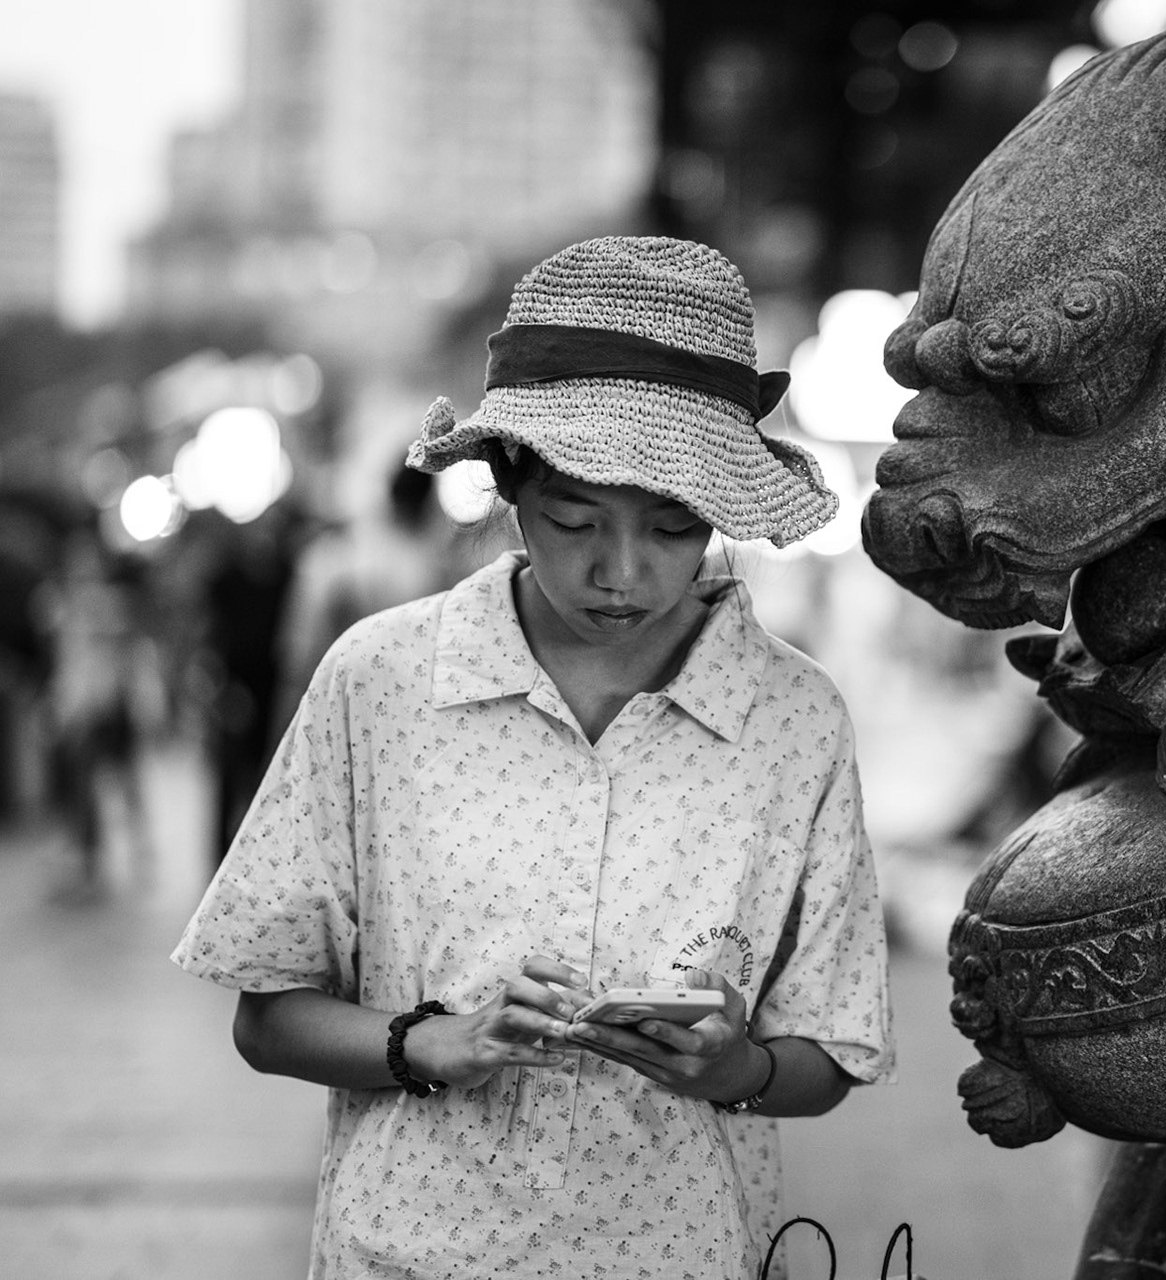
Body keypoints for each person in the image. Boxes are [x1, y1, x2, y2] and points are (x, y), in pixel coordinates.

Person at [172, 236, 894, 1279]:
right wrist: (433, 1041)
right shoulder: (381, 679)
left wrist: (733, 1064)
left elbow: (827, 1055)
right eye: (574, 518)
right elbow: (268, 1014)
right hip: (408, 1252)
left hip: (685, 1251)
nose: (621, 571)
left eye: (673, 527)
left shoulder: (794, 718)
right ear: (508, 481)